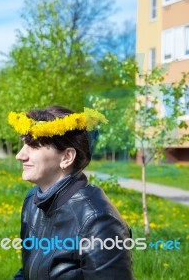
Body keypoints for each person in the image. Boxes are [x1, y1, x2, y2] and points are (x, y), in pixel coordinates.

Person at [8, 106, 134, 280]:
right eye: (24, 144)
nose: (20, 155)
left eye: (34, 146)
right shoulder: (32, 201)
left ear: (67, 157)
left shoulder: (99, 222)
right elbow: (29, 272)